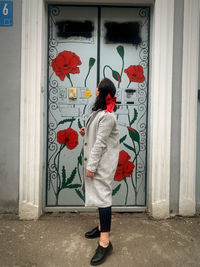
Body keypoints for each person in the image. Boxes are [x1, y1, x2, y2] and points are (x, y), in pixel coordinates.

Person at [79, 78, 120, 266]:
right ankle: (101, 226)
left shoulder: (108, 116)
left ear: (102, 92)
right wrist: (85, 131)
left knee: (103, 198)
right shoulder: (99, 113)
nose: (95, 90)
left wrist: (91, 167)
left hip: (102, 164)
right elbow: (96, 134)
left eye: (97, 88)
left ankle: (105, 242)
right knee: (99, 195)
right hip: (97, 162)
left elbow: (101, 143)